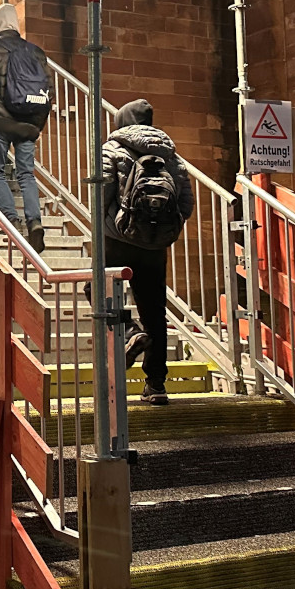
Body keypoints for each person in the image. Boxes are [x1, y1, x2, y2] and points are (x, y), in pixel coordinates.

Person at [101, 100, 195, 404]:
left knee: (97, 287)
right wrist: (161, 232)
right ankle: (156, 386)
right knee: (154, 310)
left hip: (117, 238)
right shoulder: (172, 157)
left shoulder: (112, 149)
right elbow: (186, 205)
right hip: (155, 245)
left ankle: (129, 332)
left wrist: (110, 226)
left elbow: (100, 196)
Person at [0, 3, 53, 252]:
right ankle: (35, 222)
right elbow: (47, 90)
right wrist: (37, 124)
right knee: (26, 173)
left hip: (0, 120)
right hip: (28, 121)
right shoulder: (36, 52)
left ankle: (11, 220)